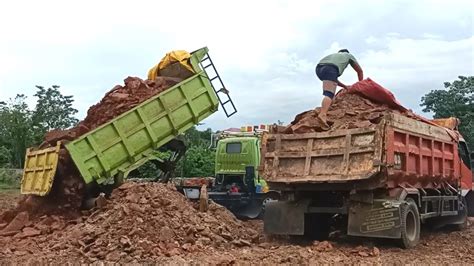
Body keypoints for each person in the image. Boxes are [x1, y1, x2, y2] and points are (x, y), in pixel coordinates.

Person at [315, 49, 363, 128]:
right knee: (329, 94)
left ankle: (329, 109)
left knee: (330, 91)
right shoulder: (348, 55)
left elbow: (334, 80)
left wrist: (345, 86)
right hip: (331, 68)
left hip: (319, 69)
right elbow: (359, 71)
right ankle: (323, 114)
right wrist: (361, 84)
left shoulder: (333, 56)